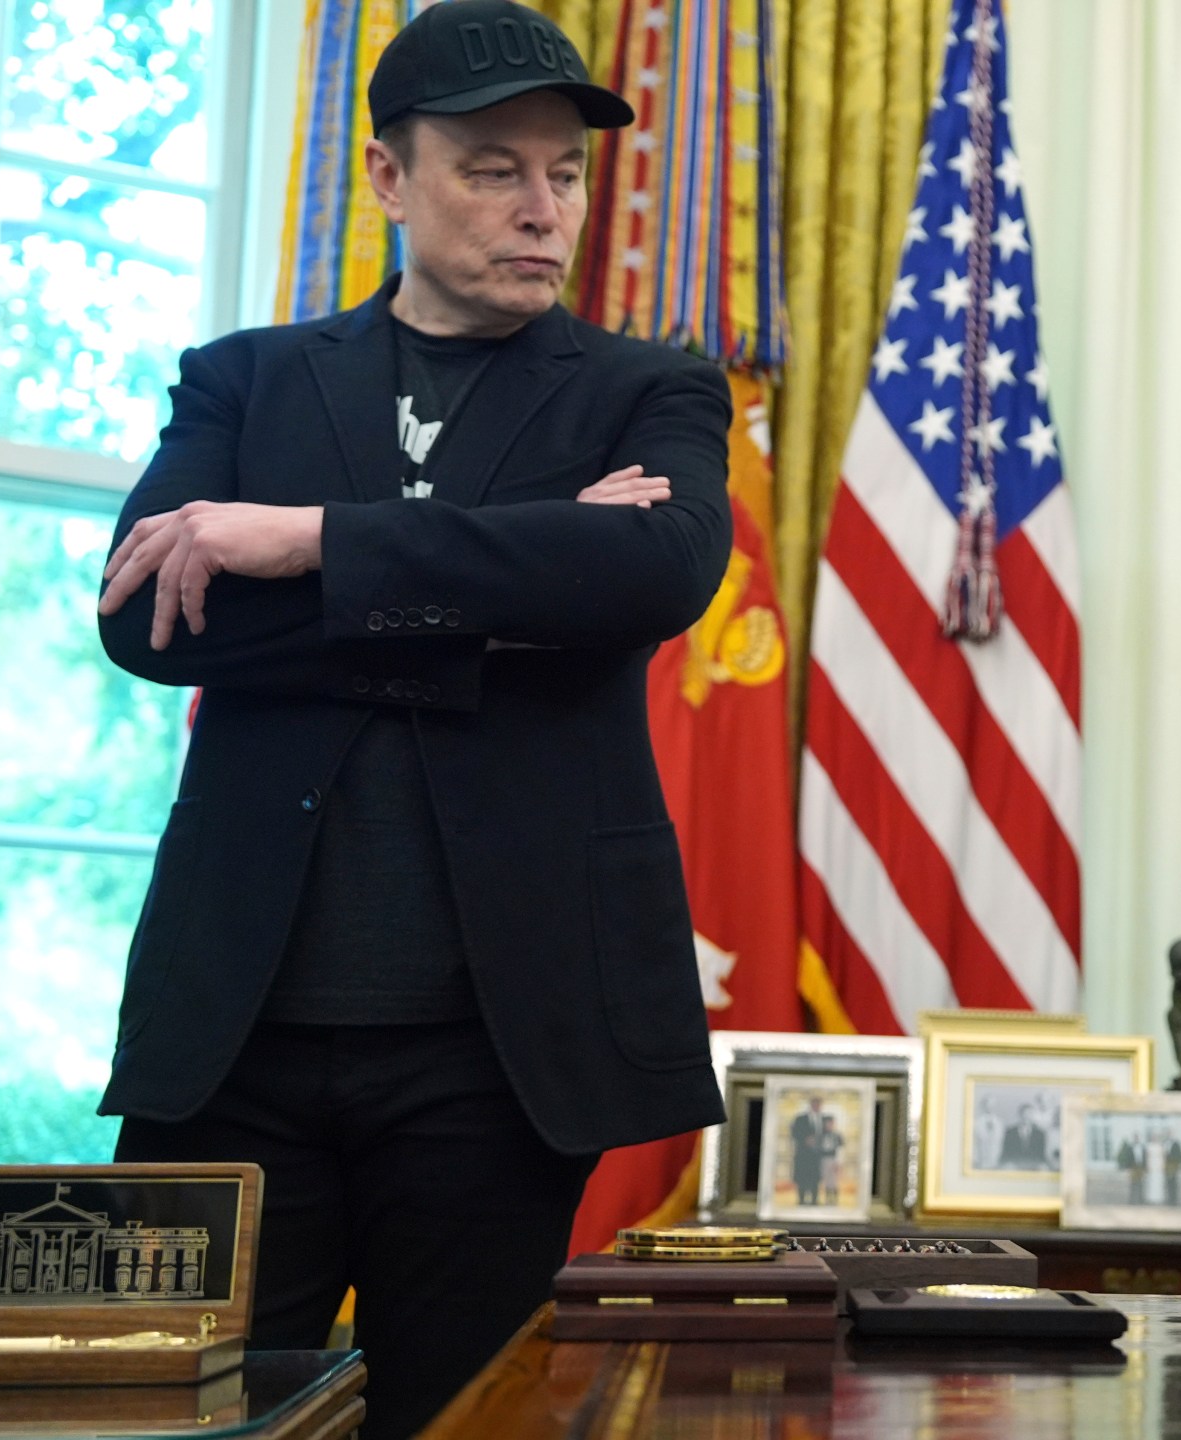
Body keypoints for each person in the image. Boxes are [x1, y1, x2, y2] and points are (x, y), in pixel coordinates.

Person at [90, 4, 731, 1434]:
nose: (543, 208)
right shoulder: (243, 379)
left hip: (501, 1047)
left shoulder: (650, 388)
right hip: (234, 1034)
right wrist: (514, 582)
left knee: (462, 1422)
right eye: (493, 168)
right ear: (387, 177)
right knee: (169, 1415)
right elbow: (148, 621)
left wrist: (308, 541)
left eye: (563, 173)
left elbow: (655, 568)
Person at [791, 1098, 827, 1209]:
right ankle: (801, 1199)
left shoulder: (824, 1119)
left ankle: (814, 1200)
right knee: (802, 1176)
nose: (817, 1106)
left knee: (815, 1177)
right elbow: (794, 1132)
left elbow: (828, 1135)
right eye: (815, 1104)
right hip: (803, 1153)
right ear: (811, 1105)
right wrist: (805, 1140)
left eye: (819, 1105)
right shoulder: (800, 1118)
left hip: (817, 1155)